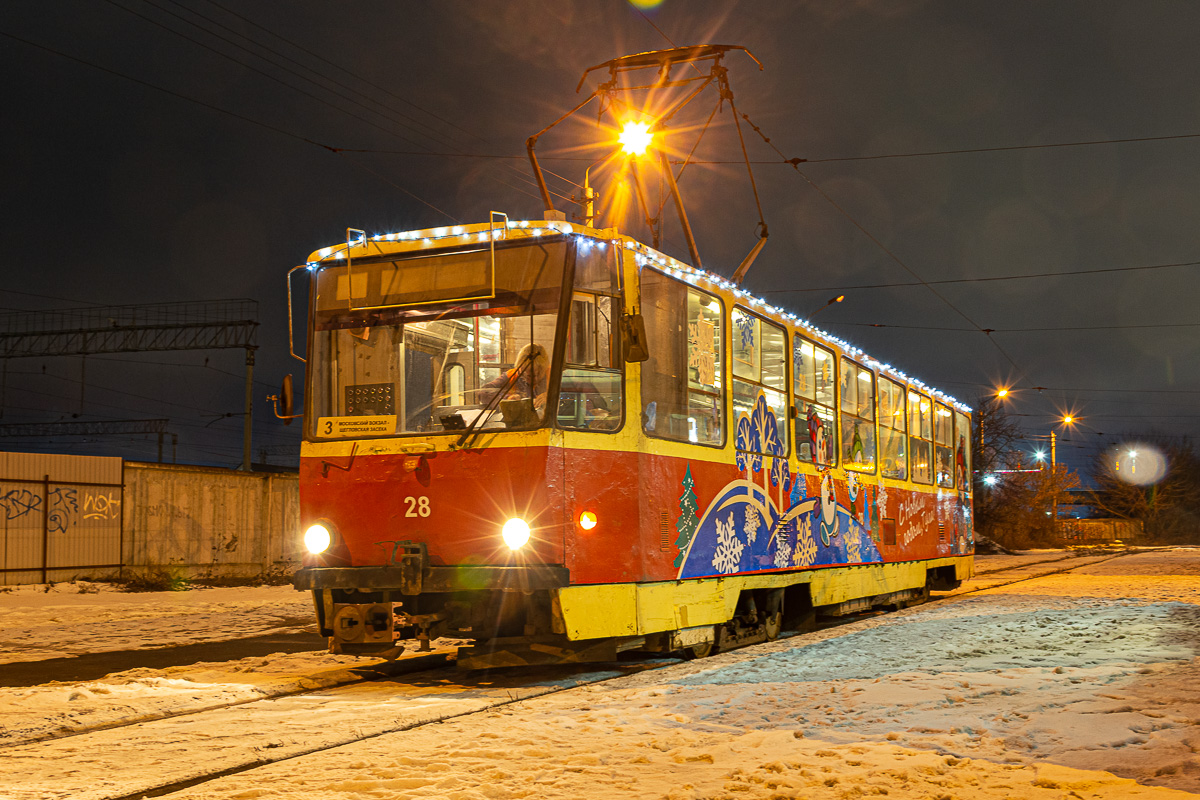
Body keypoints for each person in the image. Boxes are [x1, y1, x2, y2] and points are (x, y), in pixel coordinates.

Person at [480, 343, 549, 412]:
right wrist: (507, 400)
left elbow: (559, 395)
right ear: (520, 367)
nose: (535, 379)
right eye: (527, 375)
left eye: (538, 374)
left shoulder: (552, 375)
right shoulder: (512, 376)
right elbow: (483, 392)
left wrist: (550, 396)